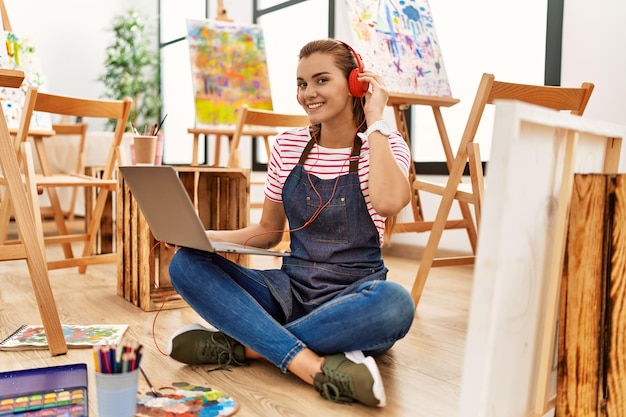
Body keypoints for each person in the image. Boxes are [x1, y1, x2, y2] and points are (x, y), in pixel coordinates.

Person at [167, 38, 415, 408]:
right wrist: (200, 237)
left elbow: (390, 202)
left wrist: (377, 119)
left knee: (396, 304)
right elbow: (264, 233)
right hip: (290, 292)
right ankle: (313, 366)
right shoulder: (287, 145)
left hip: (354, 296)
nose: (308, 93)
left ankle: (247, 346)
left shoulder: (383, 143)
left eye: (321, 80)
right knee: (185, 264)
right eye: (302, 84)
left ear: (354, 85)